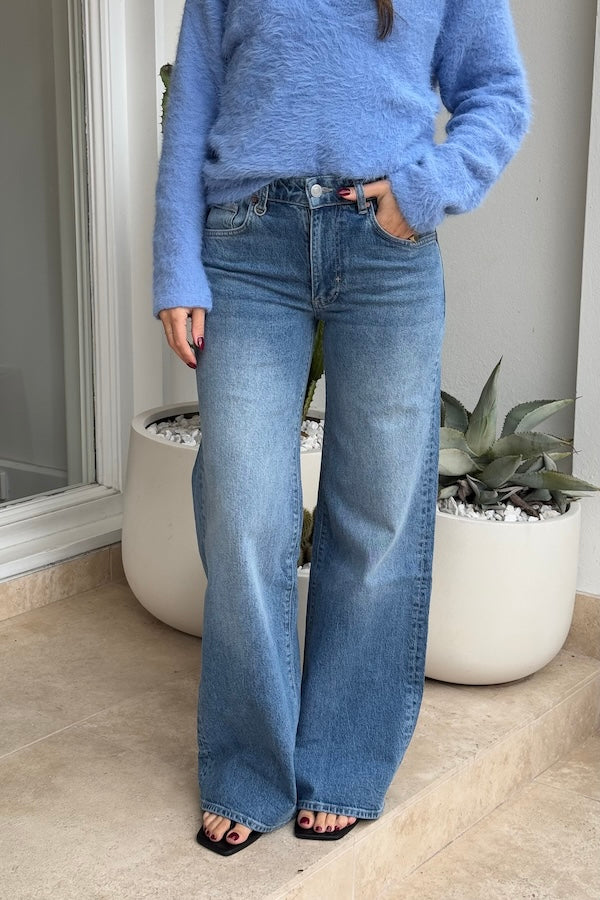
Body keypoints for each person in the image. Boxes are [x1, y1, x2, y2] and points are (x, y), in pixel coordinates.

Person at [153, 0, 530, 857]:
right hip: (246, 246)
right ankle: (249, 767)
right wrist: (177, 264)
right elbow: (194, 105)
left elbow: (498, 94)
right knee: (242, 511)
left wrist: (425, 191)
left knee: (378, 515)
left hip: (386, 250)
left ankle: (343, 758)